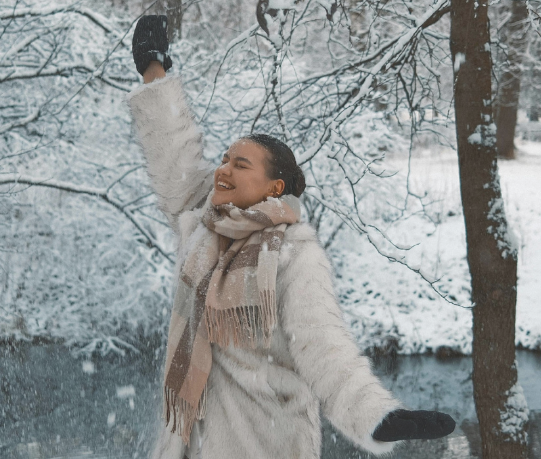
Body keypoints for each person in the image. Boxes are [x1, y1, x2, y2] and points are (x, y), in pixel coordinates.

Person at [128, 15, 456, 459]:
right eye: (224, 159)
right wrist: (154, 71)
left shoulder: (292, 255)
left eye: (240, 165)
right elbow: (174, 156)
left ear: (274, 187)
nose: (222, 169)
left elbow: (323, 345)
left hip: (265, 442)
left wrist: (378, 416)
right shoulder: (202, 225)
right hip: (189, 442)